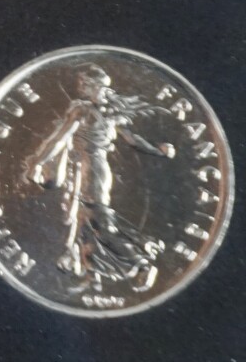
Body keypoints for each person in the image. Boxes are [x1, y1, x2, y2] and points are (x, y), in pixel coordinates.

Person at [23, 65, 174, 291]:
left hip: (92, 170)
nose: (80, 86)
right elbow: (133, 140)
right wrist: (158, 150)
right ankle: (92, 276)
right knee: (85, 227)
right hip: (86, 168)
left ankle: (141, 264)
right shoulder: (99, 110)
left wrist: (39, 162)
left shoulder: (85, 111)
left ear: (96, 86)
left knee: (101, 227)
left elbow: (59, 138)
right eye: (81, 82)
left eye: (84, 82)